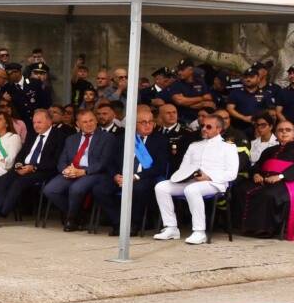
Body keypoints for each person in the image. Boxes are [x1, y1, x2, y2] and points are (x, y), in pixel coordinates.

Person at [153, 114, 239, 245]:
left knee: (192, 189)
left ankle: (199, 231)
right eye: (202, 126)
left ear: (219, 129)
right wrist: (187, 176)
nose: (204, 129)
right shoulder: (194, 145)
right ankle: (171, 227)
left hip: (215, 183)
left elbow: (232, 173)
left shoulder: (228, 147)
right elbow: (183, 168)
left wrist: (208, 176)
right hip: (191, 181)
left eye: (208, 127)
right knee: (161, 187)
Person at [94, 106, 169, 236]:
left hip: (145, 177)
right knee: (100, 190)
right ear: (134, 124)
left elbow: (160, 167)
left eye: (151, 122)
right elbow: (111, 162)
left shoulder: (160, 140)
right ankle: (118, 224)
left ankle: (134, 224)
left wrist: (136, 176)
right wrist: (115, 175)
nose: (148, 125)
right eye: (143, 122)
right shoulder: (124, 139)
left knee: (138, 189)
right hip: (122, 177)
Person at [43, 110, 118, 232]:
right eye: (85, 122)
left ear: (96, 121)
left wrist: (83, 172)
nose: (89, 124)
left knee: (76, 188)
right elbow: (62, 160)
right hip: (72, 170)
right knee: (50, 190)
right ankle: (79, 215)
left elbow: (104, 162)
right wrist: (66, 170)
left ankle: (71, 220)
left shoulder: (107, 138)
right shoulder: (71, 139)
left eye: (91, 120)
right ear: (78, 124)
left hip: (94, 173)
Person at [0, 109, 65, 223]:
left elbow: (56, 161)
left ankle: (0, 213)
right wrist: (18, 165)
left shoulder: (59, 136)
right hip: (24, 167)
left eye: (39, 122)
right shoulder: (32, 135)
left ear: (49, 122)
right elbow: (22, 154)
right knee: (3, 179)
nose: (36, 125)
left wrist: (33, 167)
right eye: (34, 123)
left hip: (42, 170)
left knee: (19, 182)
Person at [241, 121, 294, 239]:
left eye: (288, 130)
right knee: (241, 189)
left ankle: (266, 229)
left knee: (268, 194)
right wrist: (256, 174)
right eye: (280, 130)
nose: (284, 132)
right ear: (276, 133)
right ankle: (245, 226)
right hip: (264, 180)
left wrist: (281, 176)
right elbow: (257, 166)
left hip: (287, 182)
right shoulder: (268, 150)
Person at [227, 67, 276, 137]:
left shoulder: (266, 94)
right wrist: (244, 118)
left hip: (259, 129)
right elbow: (229, 108)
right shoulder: (236, 93)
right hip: (238, 128)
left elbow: (271, 112)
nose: (248, 79)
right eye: (246, 77)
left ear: (258, 79)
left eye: (251, 77)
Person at [169, 58, 216, 124]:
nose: (179, 72)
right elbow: (180, 101)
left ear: (191, 70)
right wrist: (201, 99)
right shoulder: (176, 84)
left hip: (201, 118)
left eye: (182, 70)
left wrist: (187, 101)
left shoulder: (201, 83)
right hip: (183, 119)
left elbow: (208, 100)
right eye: (179, 70)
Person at [156, 103, 196, 172]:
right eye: (168, 113)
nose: (172, 115)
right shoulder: (155, 131)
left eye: (174, 112)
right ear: (160, 116)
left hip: (176, 170)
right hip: (157, 168)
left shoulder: (187, 133)